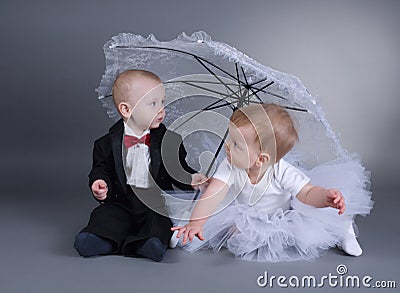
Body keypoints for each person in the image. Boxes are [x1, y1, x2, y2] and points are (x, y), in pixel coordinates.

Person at [172, 103, 373, 262]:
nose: (227, 146)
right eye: (230, 139)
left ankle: (342, 230)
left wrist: (325, 197)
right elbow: (214, 193)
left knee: (312, 230)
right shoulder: (230, 163)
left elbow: (307, 193)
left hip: (283, 215)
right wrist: (196, 223)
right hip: (246, 212)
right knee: (219, 218)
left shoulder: (281, 170)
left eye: (236, 144)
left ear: (261, 159)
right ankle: (186, 228)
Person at [74, 69, 206, 262]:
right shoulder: (105, 144)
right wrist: (99, 182)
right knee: (105, 216)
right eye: (153, 104)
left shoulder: (169, 141)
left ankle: (146, 243)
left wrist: (192, 178)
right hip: (120, 201)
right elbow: (100, 169)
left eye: (162, 102)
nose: (162, 109)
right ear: (126, 110)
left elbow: (177, 169)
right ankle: (102, 239)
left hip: (154, 202)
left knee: (157, 221)